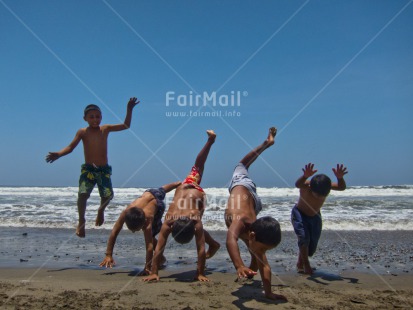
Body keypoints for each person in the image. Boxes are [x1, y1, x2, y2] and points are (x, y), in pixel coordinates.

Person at [45, 97, 139, 237]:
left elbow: (126, 126)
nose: (95, 119)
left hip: (103, 170)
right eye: (92, 117)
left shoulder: (105, 129)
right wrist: (59, 154)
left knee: (108, 195)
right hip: (88, 170)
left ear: (101, 117)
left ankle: (101, 210)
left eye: (98, 116)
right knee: (83, 195)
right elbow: (70, 147)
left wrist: (129, 109)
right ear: (85, 118)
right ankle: (81, 221)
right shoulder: (82, 132)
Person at [143, 130, 220, 283]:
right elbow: (200, 248)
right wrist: (200, 273)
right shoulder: (185, 221)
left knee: (199, 166)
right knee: (199, 165)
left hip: (196, 194)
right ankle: (210, 141)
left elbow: (160, 248)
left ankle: (210, 141)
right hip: (187, 188)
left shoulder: (171, 222)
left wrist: (154, 272)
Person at [225, 127, 287, 301]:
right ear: (253, 234)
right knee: (241, 165)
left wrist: (268, 292)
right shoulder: (241, 220)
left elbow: (265, 266)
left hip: (254, 204)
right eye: (264, 248)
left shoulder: (254, 232)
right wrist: (239, 265)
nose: (264, 252)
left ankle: (251, 267)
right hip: (244, 186)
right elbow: (230, 239)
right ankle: (266, 144)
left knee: (257, 254)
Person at [99, 181, 181, 275]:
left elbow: (149, 247)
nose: (134, 232)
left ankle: (161, 257)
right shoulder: (126, 212)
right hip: (150, 193)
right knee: (162, 190)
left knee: (151, 236)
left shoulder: (148, 221)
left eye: (136, 229)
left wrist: (147, 267)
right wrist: (108, 255)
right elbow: (114, 232)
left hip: (158, 206)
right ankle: (177, 184)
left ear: (143, 223)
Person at [292, 163, 348, 275]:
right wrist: (305, 176)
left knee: (311, 245)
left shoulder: (326, 186)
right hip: (299, 214)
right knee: (303, 237)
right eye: (317, 195)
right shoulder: (307, 185)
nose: (320, 197)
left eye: (323, 195)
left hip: (315, 217)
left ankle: (300, 262)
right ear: (311, 188)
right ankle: (306, 265)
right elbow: (297, 184)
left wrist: (340, 178)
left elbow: (342, 187)